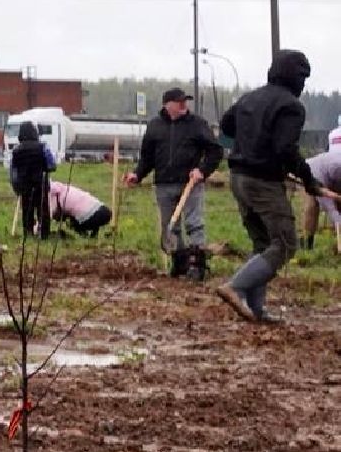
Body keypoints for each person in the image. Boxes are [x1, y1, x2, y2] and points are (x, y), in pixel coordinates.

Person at [215, 50, 340, 323]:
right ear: (296, 78)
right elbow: (286, 149)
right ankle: (235, 286)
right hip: (263, 182)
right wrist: (309, 179)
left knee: (263, 244)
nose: (304, 85)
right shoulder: (291, 106)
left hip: (238, 177)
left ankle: (256, 310)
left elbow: (226, 125)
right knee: (284, 244)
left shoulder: (249, 98)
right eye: (303, 78)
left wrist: (250, 141)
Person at [125, 87, 223, 279]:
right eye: (180, 102)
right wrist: (137, 175)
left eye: (185, 101)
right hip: (163, 184)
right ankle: (180, 263)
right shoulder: (154, 126)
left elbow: (215, 151)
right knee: (171, 226)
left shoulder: (197, 124)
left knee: (194, 223)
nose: (184, 105)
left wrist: (202, 171)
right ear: (167, 104)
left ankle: (197, 266)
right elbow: (147, 158)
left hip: (190, 184)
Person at [9, 121, 57, 239]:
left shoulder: (16, 151)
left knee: (27, 211)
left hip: (24, 185)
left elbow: (13, 171)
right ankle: (44, 235)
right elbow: (52, 165)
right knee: (43, 210)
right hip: (40, 183)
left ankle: (28, 234)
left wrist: (16, 187)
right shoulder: (42, 147)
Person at [301, 149, 341, 249]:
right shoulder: (318, 171)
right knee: (312, 206)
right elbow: (327, 203)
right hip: (312, 173)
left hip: (333, 176)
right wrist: (337, 219)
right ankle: (306, 246)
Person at [47, 179, 114, 238]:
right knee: (77, 212)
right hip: (105, 211)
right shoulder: (64, 188)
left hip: (94, 216)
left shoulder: (52, 195)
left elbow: (49, 215)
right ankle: (94, 234)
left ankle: (85, 236)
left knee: (70, 222)